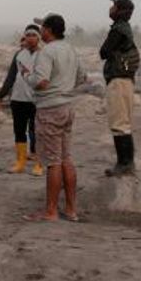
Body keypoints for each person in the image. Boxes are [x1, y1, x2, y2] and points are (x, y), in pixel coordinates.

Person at [24, 14, 86, 223]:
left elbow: (41, 82)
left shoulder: (47, 52)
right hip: (67, 107)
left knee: (53, 162)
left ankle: (50, 211)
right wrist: (64, 87)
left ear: (48, 30)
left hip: (50, 109)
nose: (40, 31)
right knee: (66, 158)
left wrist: (27, 77)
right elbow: (82, 77)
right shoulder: (70, 49)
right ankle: (70, 209)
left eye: (42, 28)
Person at [100, 0, 140, 177]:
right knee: (124, 123)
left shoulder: (119, 29)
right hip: (126, 81)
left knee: (119, 123)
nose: (111, 9)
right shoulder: (125, 28)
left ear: (120, 10)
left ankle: (124, 164)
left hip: (118, 81)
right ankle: (127, 163)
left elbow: (104, 51)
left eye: (114, 6)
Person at [0, 25, 43, 176]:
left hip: (37, 100)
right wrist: (1, 95)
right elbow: (11, 76)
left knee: (38, 131)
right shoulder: (18, 55)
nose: (30, 38)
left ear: (39, 37)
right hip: (18, 98)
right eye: (28, 35)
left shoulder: (44, 55)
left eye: (33, 35)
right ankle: (20, 162)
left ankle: (39, 163)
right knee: (19, 131)